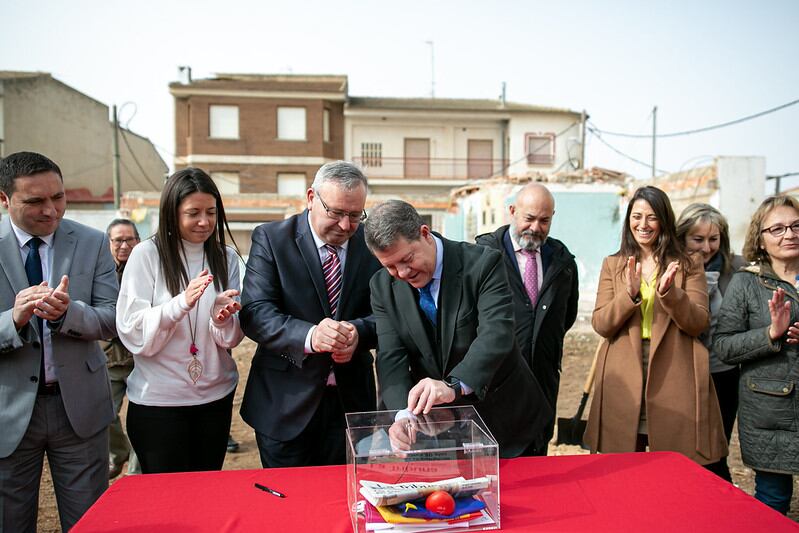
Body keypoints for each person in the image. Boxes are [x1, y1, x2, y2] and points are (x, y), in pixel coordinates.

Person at [365, 199, 553, 458]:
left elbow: (496, 334)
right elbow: (390, 356)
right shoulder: (382, 287)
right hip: (438, 431)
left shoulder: (483, 264)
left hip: (505, 420)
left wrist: (453, 385)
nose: (402, 272)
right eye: (390, 266)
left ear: (424, 234)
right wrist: (401, 415)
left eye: (407, 259)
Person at [0, 151, 117, 531]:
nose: (51, 210)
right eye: (35, 201)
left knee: (89, 522)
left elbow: (114, 318)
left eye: (59, 197)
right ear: (4, 200)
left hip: (79, 411)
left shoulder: (93, 242)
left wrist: (69, 314)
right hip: (8, 414)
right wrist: (13, 320)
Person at [240, 160, 381, 467]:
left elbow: (390, 314)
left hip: (351, 406)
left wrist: (358, 333)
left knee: (346, 505)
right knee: (289, 506)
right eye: (336, 213)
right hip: (284, 406)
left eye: (355, 215)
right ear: (310, 198)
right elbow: (255, 312)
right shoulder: (272, 239)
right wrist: (310, 336)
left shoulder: (372, 245)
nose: (345, 226)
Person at [584, 186, 727, 465]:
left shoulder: (688, 263)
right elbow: (602, 324)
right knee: (624, 466)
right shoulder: (613, 264)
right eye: (636, 216)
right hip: (624, 371)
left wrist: (671, 294)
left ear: (664, 220)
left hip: (675, 370)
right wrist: (629, 295)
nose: (643, 224)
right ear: (628, 221)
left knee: (674, 466)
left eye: (651, 217)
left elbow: (698, 323)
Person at [116, 168, 244, 474]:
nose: (204, 221)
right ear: (172, 213)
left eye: (211, 212)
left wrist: (222, 319)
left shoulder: (226, 257)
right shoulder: (146, 255)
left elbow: (230, 339)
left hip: (215, 398)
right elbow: (132, 331)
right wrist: (180, 304)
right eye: (193, 213)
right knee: (167, 502)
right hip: (159, 404)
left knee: (205, 491)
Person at [475, 182, 578, 454]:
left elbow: (565, 318)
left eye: (544, 221)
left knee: (537, 461)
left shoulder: (563, 261)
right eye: (529, 218)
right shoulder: (484, 255)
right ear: (512, 211)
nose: (535, 228)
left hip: (542, 383)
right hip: (496, 385)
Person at [714, 195, 799, 515]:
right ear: (760, 239)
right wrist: (770, 334)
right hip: (769, 410)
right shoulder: (746, 283)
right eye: (776, 228)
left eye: (795, 226)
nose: (788, 234)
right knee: (773, 502)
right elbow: (724, 345)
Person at [676, 203, 746, 482]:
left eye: (713, 239)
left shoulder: (737, 269)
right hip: (683, 374)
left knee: (716, 453)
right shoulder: (672, 270)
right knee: (683, 451)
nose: (707, 248)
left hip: (723, 374)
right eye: (698, 239)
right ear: (682, 238)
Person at [103, 218, 142, 479]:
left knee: (144, 422)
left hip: (142, 359)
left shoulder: (147, 270)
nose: (125, 245)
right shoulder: (101, 273)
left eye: (130, 239)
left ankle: (136, 474)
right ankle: (119, 453)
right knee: (104, 415)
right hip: (110, 360)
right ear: (109, 244)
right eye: (118, 240)